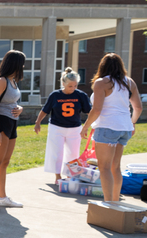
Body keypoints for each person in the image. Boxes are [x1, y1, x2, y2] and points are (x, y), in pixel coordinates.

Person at [80, 53, 143, 202]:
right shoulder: (129, 82)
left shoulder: (101, 83)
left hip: (108, 127)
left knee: (105, 167)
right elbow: (138, 107)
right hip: (124, 128)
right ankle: (115, 203)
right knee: (115, 167)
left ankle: (108, 204)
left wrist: (85, 127)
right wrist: (132, 123)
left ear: (102, 67)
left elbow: (96, 110)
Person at [34, 68, 92, 184]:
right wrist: (37, 122)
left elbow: (89, 112)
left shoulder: (81, 95)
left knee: (73, 154)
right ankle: (57, 176)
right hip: (57, 127)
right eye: (70, 86)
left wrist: (87, 127)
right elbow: (45, 110)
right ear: (63, 84)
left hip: (74, 128)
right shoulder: (55, 95)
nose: (73, 88)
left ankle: (70, 176)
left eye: (75, 85)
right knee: (57, 153)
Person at [0, 50, 25, 212]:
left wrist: (20, 108)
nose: (23, 66)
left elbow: (12, 102)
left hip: (12, 123)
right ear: (15, 63)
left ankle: (2, 197)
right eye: (22, 63)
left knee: (5, 162)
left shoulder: (13, 81)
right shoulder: (1, 81)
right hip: (0, 123)